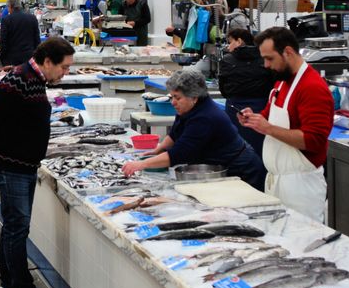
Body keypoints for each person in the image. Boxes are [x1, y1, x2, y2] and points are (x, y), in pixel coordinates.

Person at [0, 37, 74, 288]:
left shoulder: (32, 78)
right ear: (48, 61)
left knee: (13, 226)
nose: (65, 73)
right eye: (64, 68)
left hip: (19, 163)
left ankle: (9, 283)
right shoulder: (19, 79)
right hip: (12, 166)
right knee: (18, 228)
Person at [240, 27, 334, 221]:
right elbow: (269, 116)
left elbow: (313, 140)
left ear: (288, 52)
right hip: (277, 182)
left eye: (270, 58)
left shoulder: (312, 88)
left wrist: (268, 128)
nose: (266, 65)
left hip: (301, 188)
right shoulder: (282, 82)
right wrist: (254, 119)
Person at [122, 70, 267, 190]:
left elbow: (178, 154)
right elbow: (175, 133)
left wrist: (141, 164)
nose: (173, 102)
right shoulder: (187, 108)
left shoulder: (205, 118)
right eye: (171, 97)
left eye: (177, 98)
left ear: (194, 97)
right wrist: (158, 149)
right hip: (217, 167)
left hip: (243, 171)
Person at [217, 27, 275, 155]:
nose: (228, 46)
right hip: (262, 107)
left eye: (230, 42)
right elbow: (273, 84)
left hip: (235, 108)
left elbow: (223, 89)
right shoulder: (264, 59)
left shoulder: (227, 60)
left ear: (239, 41)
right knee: (262, 146)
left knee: (237, 148)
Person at [0, 0, 39, 67]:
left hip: (12, 59)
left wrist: (3, 60)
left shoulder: (6, 20)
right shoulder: (32, 18)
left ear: (11, 6)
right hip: (29, 58)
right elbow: (37, 40)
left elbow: (3, 42)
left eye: (8, 7)